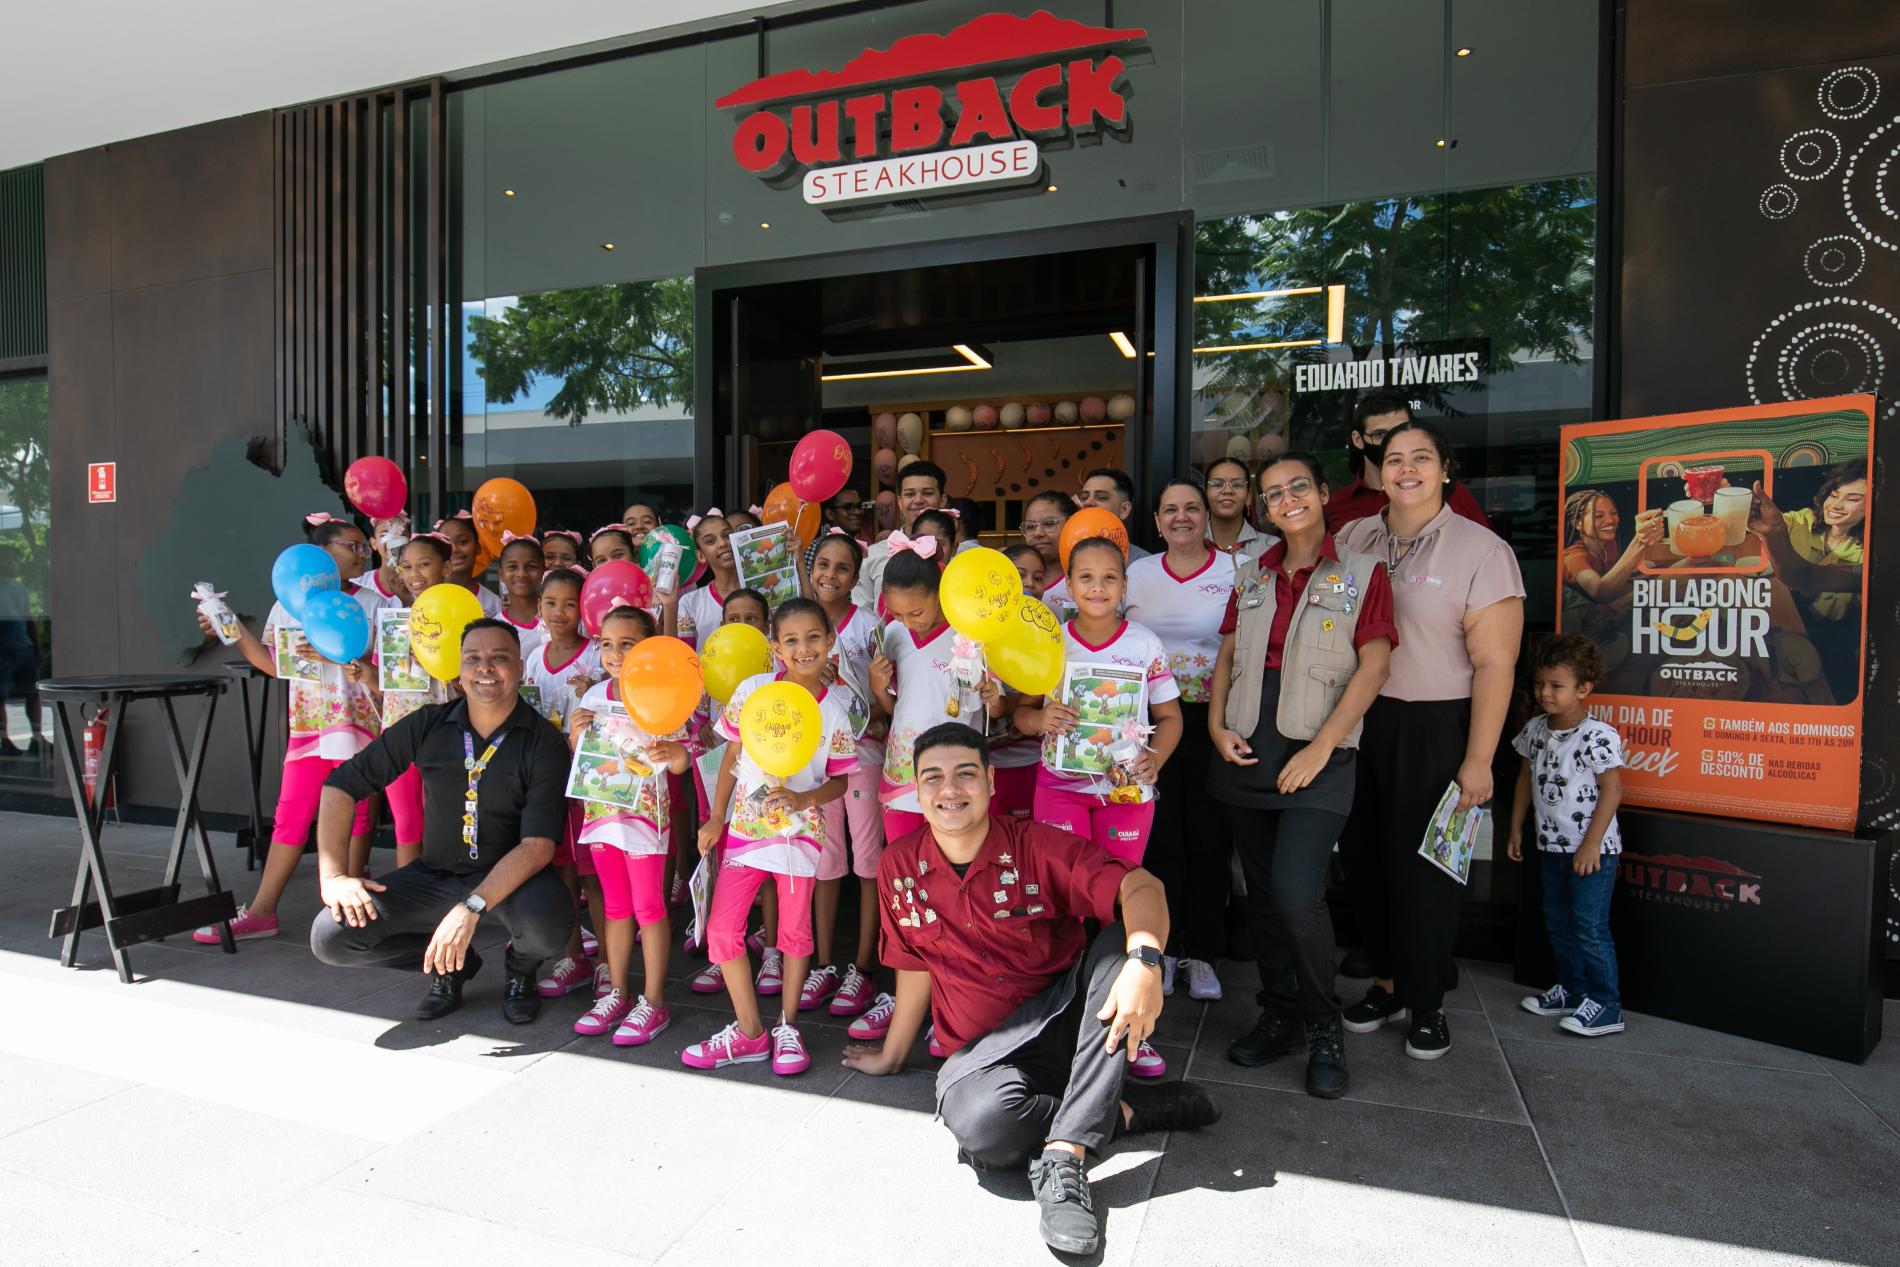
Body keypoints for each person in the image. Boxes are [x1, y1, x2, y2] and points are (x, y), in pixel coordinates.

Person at [841, 723, 1219, 1257]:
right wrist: (893, 1054)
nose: (950, 789)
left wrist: (1146, 961)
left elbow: (1140, 886)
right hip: (983, 1057)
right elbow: (912, 965)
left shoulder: (1035, 845)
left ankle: (1064, 1159)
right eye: (934, 777)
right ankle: (1125, 1111)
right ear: (916, 788)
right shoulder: (898, 865)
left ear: (992, 781)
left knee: (1120, 946)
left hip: (1067, 1028)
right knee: (983, 1128)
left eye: (966, 774)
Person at [1206, 454, 1396, 1098]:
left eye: (1298, 487)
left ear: (1321, 494)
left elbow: (1373, 667)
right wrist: (1214, 727)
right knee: (1260, 897)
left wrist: (1324, 748)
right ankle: (1280, 1011)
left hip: (1320, 755)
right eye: (1273, 493)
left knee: (1295, 894)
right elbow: (1228, 654)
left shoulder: (1364, 572)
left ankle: (1323, 1025)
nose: (1286, 499)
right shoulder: (1249, 576)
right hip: (1246, 750)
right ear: (1263, 508)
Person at [1335, 420, 1524, 1060]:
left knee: (1426, 872)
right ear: (1377, 470)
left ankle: (1427, 1002)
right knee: (1364, 862)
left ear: (1446, 469)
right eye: (1394, 459)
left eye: (1421, 458)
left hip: (1437, 724)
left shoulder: (1481, 550)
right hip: (1362, 722)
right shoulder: (1355, 536)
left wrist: (1478, 760)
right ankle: (1387, 983)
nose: (1406, 469)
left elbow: (1497, 664)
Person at [309, 619, 575, 1024]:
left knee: (550, 926)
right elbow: (340, 787)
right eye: (474, 659)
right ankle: (450, 963)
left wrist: (470, 908)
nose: (485, 668)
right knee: (331, 937)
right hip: (433, 874)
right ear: (459, 670)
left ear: (520, 668)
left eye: (499, 658)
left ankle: (520, 971)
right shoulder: (428, 723)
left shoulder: (544, 742)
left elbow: (537, 846)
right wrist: (333, 878)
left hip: (510, 879)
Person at [686, 598, 859, 1075]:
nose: (804, 649)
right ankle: (749, 1033)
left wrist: (805, 801)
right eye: (791, 640)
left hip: (800, 839)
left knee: (793, 934)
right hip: (745, 829)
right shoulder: (753, 691)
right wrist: (716, 816)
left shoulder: (836, 711)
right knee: (722, 930)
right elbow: (732, 757)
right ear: (774, 645)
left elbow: (841, 780)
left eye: (813, 638)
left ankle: (787, 1027)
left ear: (829, 641)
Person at [192, 513, 382, 943]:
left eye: (362, 546)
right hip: (309, 726)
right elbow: (274, 664)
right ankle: (262, 912)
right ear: (320, 556)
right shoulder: (286, 605)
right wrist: (234, 628)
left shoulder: (376, 603)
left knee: (359, 814)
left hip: (361, 726)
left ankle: (351, 914)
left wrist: (340, 659)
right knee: (290, 816)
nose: (361, 552)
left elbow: (389, 671)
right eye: (350, 546)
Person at [1125, 480, 1238, 1002]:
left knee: (1211, 841)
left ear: (1207, 514)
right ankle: (1164, 953)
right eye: (1170, 509)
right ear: (1157, 520)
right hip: (1147, 724)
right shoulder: (1137, 575)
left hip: (1214, 721)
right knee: (1162, 839)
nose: (1182, 517)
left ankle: (1205, 956)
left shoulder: (1235, 571)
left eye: (1192, 507)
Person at [566, 606, 690, 1044]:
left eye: (628, 644)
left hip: (644, 822)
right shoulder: (593, 696)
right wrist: (576, 735)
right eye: (607, 644)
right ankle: (617, 992)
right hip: (601, 819)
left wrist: (674, 755)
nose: (616, 653)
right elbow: (582, 753)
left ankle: (653, 1003)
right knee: (615, 908)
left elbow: (682, 759)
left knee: (649, 909)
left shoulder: (662, 693)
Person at [1507, 632, 1626, 1038]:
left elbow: (1612, 788)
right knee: (1557, 922)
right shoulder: (1535, 730)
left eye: (1556, 686)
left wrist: (1592, 842)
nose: (1544, 693)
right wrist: (1516, 827)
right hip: (1550, 846)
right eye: (1539, 684)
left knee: (1589, 927)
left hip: (1592, 851)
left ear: (1584, 688)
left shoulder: (1598, 735)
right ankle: (1573, 991)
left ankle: (1607, 1004)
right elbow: (1524, 777)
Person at [801, 530, 885, 1018]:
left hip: (866, 758)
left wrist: (850, 687)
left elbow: (882, 695)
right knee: (825, 860)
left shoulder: (869, 626)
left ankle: (864, 966)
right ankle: (824, 961)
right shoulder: (797, 621)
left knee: (868, 862)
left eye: (842, 568)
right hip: (815, 762)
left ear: (855, 578)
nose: (830, 575)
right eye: (823, 565)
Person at [870, 538, 1002, 843]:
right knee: (903, 861)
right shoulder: (894, 634)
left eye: (915, 613)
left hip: (955, 776)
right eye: (897, 613)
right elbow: (896, 709)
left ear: (940, 593)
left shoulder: (973, 635)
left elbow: (995, 713)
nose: (907, 622)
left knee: (955, 855)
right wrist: (878, 689)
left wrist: (993, 699)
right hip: (903, 771)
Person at [519, 566, 607, 999]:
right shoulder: (535, 658)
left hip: (588, 784)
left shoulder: (596, 657)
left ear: (585, 610)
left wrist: (596, 687)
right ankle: (575, 956)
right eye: (550, 603)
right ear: (538, 608)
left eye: (569, 604)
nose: (559, 612)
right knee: (564, 872)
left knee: (595, 877)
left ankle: (609, 963)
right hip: (548, 779)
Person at [1751, 458, 1867, 704]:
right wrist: (1727, 497)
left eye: (1853, 499)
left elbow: (1804, 578)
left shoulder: (1870, 554)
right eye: (1834, 495)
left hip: (1827, 651)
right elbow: (1757, 525)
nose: (1836, 505)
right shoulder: (1804, 520)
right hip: (1778, 632)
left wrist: (1775, 532)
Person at [1324, 390, 1491, 534]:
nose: (1392, 442)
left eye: (1400, 430)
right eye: (1380, 434)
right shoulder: (1335, 506)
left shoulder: (1450, 492)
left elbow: (1484, 550)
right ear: (1358, 439)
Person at [855, 460, 947, 610]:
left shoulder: (961, 555)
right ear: (899, 502)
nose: (918, 500)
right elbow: (863, 616)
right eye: (910, 494)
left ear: (943, 500)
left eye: (927, 493)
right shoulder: (872, 556)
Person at [1561, 489, 1662, 604]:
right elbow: (1601, 593)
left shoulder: (1609, 544)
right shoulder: (1573, 558)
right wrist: (1639, 542)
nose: (1610, 520)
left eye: (1613, 513)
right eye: (1599, 516)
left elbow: (1614, 576)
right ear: (1577, 523)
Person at [673, 510, 741, 650]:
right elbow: (683, 654)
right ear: (701, 555)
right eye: (710, 541)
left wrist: (799, 563)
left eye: (727, 535)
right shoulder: (690, 602)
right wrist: (669, 605)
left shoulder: (763, 588)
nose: (722, 543)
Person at [0, 547, 41, 755]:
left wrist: (36, 647)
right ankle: (4, 740)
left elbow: (29, 618)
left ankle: (37, 738)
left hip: (22, 648)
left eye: (13, 559)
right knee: (1, 697)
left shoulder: (19, 589)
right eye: (7, 558)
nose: (12, 563)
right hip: (3, 651)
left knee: (33, 694)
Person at [434, 512, 504, 617]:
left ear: (477, 548)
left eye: (462, 542)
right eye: (446, 543)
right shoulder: (425, 597)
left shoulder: (494, 605)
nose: (454, 550)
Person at [1077, 467, 1151, 561]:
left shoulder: (1143, 564)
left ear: (1124, 510)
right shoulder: (1069, 554)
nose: (1088, 502)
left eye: (1101, 497)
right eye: (1084, 497)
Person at [495, 533, 547, 659]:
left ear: (543, 572)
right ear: (500, 574)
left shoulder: (558, 619)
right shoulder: (495, 628)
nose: (521, 573)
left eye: (531, 567)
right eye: (512, 567)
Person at [1204, 457, 1267, 556]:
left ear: (1248, 496)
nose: (1227, 491)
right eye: (1217, 484)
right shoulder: (1189, 543)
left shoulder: (1270, 547)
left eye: (1237, 484)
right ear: (1205, 494)